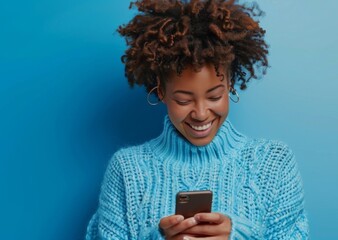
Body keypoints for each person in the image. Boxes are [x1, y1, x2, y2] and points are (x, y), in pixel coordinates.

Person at [85, 0, 309, 239]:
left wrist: (239, 235)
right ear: (161, 91)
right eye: (183, 100)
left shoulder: (273, 163)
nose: (201, 114)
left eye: (214, 96)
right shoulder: (127, 170)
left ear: (230, 84)